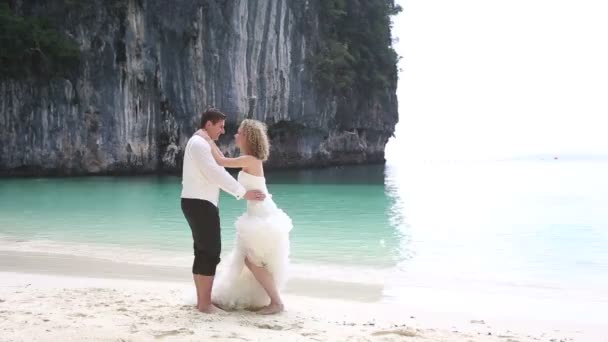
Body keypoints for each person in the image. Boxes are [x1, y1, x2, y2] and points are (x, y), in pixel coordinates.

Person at [197, 119, 293, 315]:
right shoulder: (249, 158)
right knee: (249, 260)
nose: (235, 135)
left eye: (239, 132)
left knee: (252, 260)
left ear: (247, 137)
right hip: (255, 213)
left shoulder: (251, 159)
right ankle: (269, 300)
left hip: (262, 215)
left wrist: (207, 139)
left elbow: (222, 162)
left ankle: (277, 303)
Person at [180, 109, 266, 314]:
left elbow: (219, 165)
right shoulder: (199, 143)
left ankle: (202, 301)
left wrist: (210, 143)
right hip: (200, 203)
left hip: (198, 202)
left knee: (203, 252)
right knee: (210, 252)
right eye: (220, 126)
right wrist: (242, 193)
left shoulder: (201, 142)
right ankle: (204, 305)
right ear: (209, 124)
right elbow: (216, 173)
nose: (223, 130)